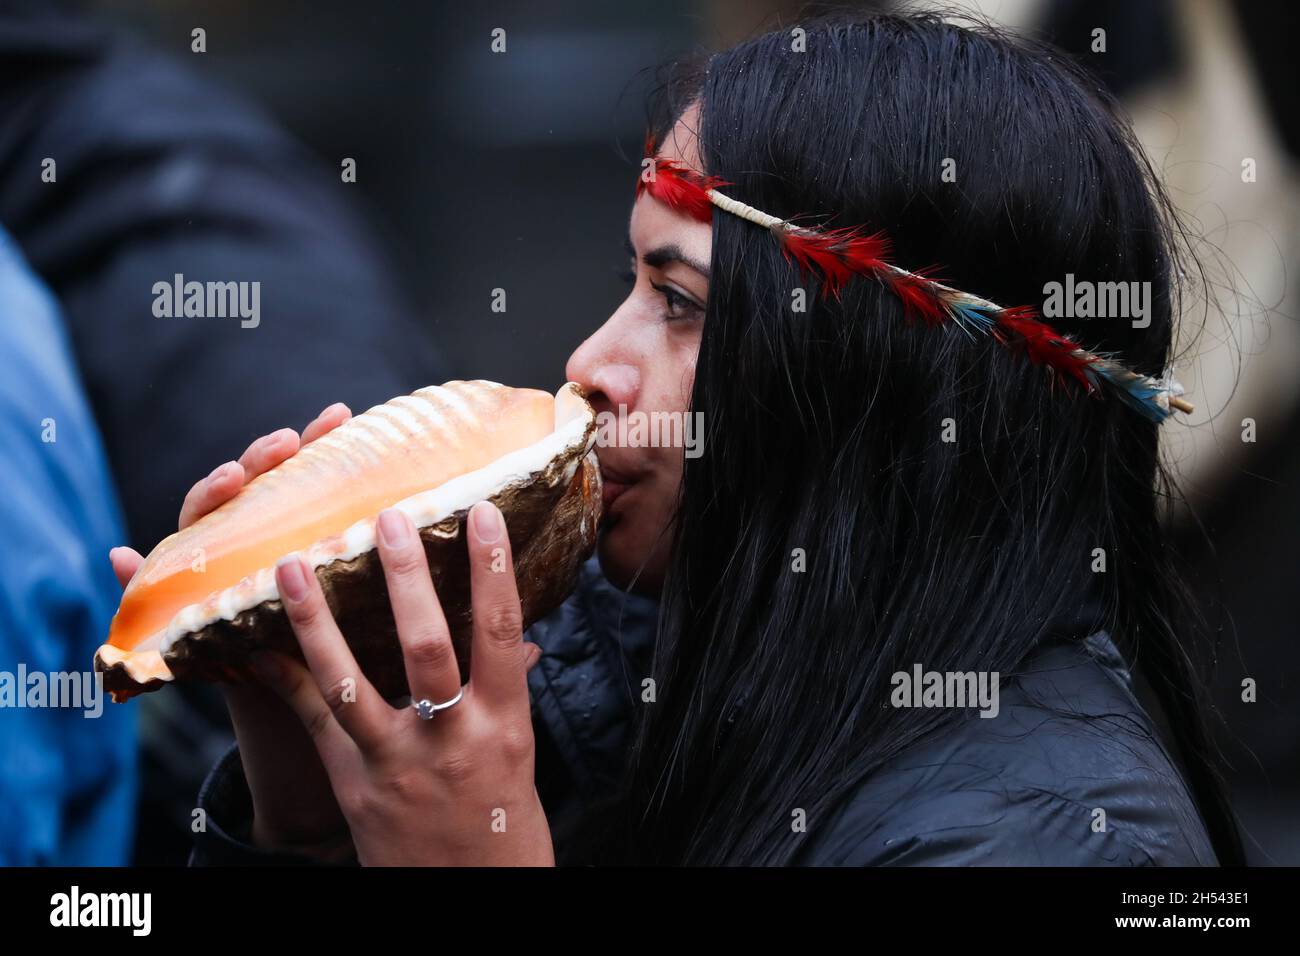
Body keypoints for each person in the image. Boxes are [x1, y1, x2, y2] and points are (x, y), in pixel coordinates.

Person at [113, 12, 1242, 865]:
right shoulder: (613, 672)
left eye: (681, 302)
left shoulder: (1055, 842)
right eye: (628, 282)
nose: (587, 366)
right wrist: (305, 816)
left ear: (867, 381)